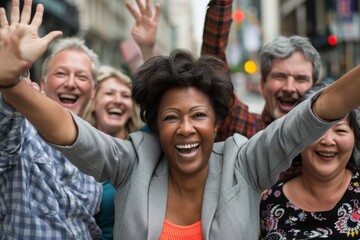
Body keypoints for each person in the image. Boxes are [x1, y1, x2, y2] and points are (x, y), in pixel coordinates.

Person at [3, 10, 360, 234]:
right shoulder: (133, 161)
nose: (186, 128)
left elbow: (319, 109)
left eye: (198, 115)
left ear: (218, 123)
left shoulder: (246, 162)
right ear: (156, 125)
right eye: (171, 117)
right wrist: (12, 84)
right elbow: (70, 132)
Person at [0, 1, 102, 239]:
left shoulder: (99, 148)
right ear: (43, 84)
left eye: (81, 76)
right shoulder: (21, 132)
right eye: (61, 73)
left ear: (93, 92)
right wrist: (11, 75)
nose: (70, 83)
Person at [201, 0, 322, 142]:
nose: (289, 88)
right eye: (280, 76)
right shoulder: (243, 128)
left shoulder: (325, 138)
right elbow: (213, 61)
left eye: (300, 78)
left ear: (314, 88)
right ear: (263, 84)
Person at [260, 81, 360, 239]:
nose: (328, 141)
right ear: (297, 136)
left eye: (340, 130)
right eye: (317, 130)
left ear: (355, 138)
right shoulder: (268, 201)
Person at [82, 65, 144, 239]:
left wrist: (147, 48)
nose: (117, 100)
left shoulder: (145, 147)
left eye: (125, 95)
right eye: (109, 93)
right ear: (93, 104)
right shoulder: (75, 152)